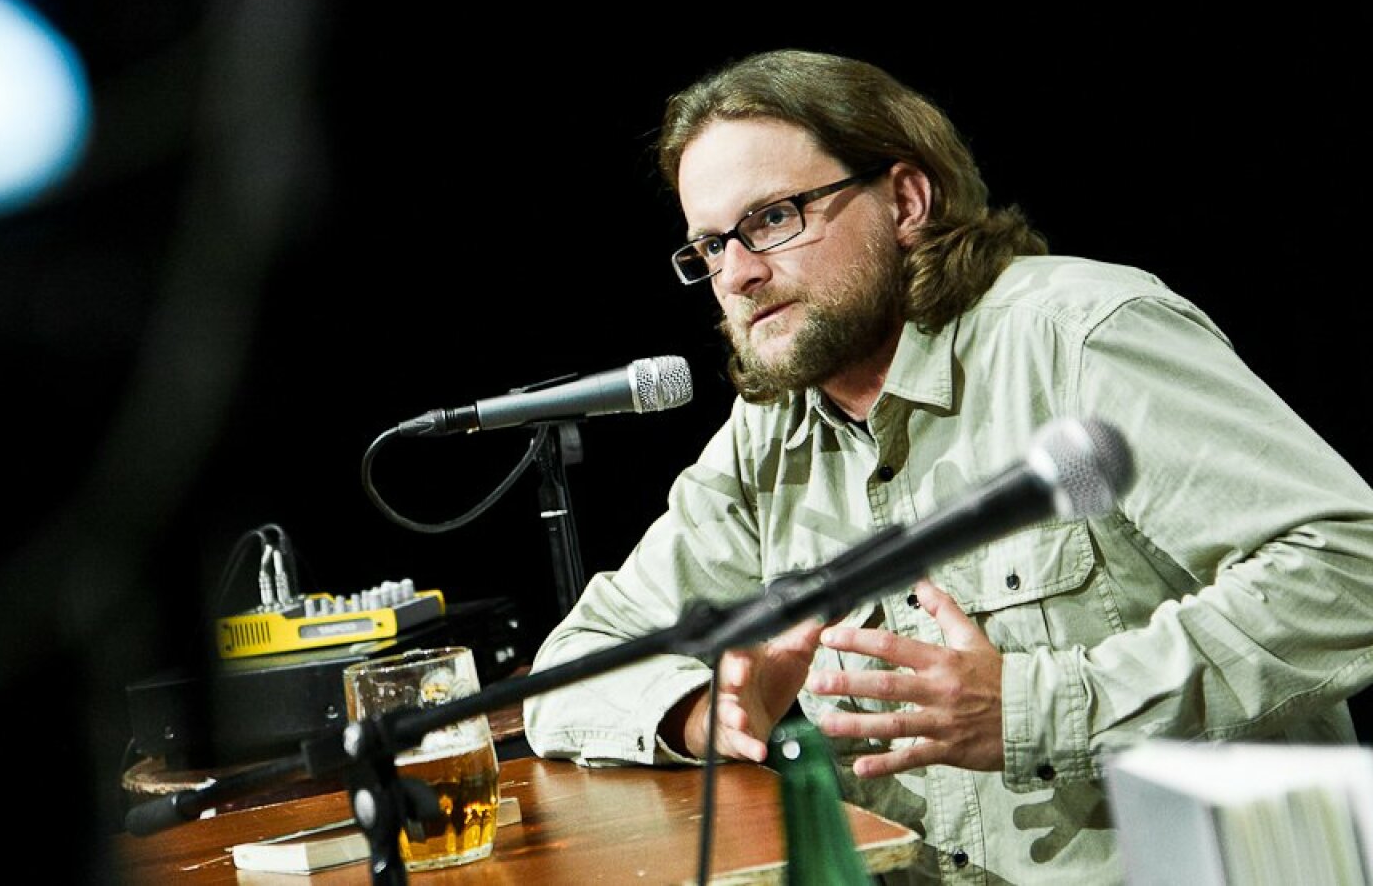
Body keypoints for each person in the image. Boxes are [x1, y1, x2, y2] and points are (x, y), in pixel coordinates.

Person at [522, 49, 1373, 883]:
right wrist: (704, 713)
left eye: (773, 218)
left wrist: (1041, 707)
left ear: (905, 199)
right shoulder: (770, 433)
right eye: (710, 246)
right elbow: (576, 664)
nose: (738, 273)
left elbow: (1350, 563)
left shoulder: (1079, 338)